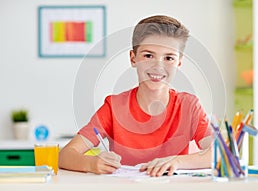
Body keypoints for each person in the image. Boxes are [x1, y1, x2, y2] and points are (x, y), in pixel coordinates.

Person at [59, 15, 213, 177]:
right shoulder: (114, 107)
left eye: (168, 58)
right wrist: (92, 163)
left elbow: (219, 153)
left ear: (179, 63)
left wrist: (177, 161)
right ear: (133, 59)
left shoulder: (188, 106)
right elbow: (65, 155)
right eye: (148, 55)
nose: (158, 66)